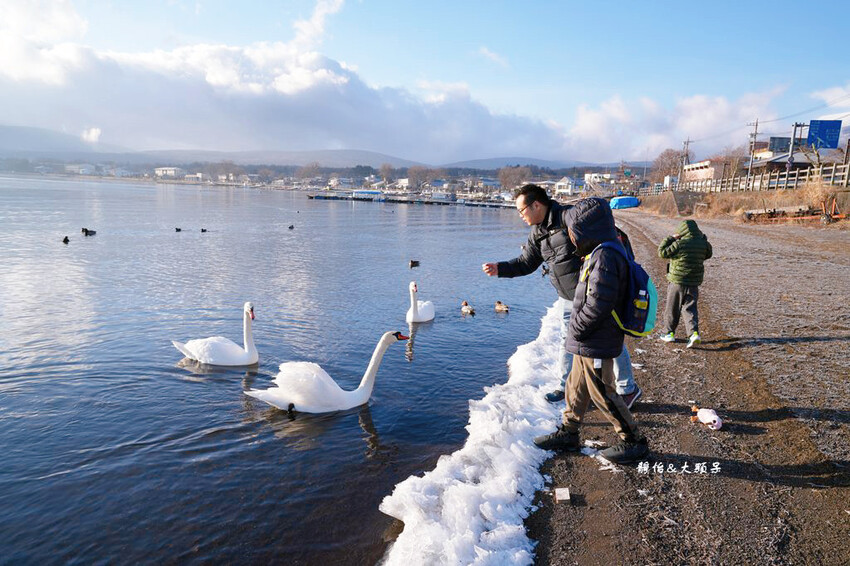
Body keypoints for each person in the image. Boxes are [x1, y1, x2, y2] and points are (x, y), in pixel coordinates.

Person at [482, 184, 642, 408]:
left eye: (521, 210)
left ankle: (628, 388)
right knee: (567, 341)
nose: (520, 216)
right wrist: (501, 269)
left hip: (594, 295)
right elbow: (527, 262)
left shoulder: (570, 218)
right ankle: (565, 384)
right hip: (567, 298)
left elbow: (602, 245)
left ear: (536, 204)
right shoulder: (537, 232)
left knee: (610, 340)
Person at [533, 197, 649, 464]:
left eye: (573, 230)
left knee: (603, 392)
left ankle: (634, 441)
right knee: (575, 387)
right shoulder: (598, 251)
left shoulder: (606, 255)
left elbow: (598, 304)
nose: (571, 235)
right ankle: (569, 432)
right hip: (587, 338)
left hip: (596, 338)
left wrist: (577, 328)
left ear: (587, 228)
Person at [657, 220, 713, 348]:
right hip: (693, 282)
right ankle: (693, 334)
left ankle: (669, 333)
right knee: (690, 308)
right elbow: (708, 253)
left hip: (677, 282)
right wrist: (702, 239)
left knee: (672, 308)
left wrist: (671, 238)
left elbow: (662, 252)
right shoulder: (703, 245)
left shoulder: (679, 243)